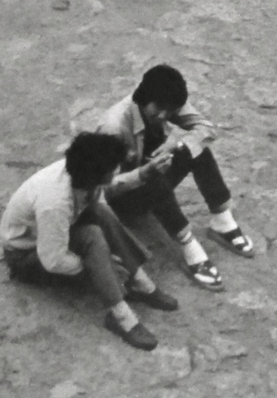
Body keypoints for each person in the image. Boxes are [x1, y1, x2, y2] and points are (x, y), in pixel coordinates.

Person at [0, 132, 173, 351]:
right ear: (96, 175)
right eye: (114, 166)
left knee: (102, 211)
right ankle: (120, 316)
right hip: (25, 256)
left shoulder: (79, 173)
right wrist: (100, 267)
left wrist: (142, 174)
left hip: (53, 233)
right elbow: (53, 260)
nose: (118, 168)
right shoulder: (54, 203)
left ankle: (138, 280)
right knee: (92, 236)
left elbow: (107, 188)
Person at [98, 65, 254, 292]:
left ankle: (222, 221)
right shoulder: (112, 127)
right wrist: (143, 173)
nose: (163, 116)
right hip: (122, 201)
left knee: (196, 150)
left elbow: (205, 128)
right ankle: (189, 246)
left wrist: (179, 145)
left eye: (169, 110)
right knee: (156, 180)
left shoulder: (166, 101)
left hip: (148, 174)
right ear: (143, 98)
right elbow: (102, 188)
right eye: (158, 109)